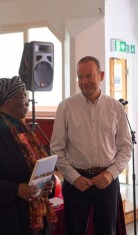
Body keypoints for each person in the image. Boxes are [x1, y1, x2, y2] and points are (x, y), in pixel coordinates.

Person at [50, 56, 133, 235]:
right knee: (74, 230)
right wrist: (73, 177)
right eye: (80, 77)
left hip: (107, 181)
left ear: (101, 75)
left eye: (89, 76)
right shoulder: (66, 107)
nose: (84, 82)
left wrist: (110, 174)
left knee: (107, 231)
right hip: (76, 182)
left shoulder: (115, 107)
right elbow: (56, 149)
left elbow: (126, 148)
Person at [0, 76, 57, 235]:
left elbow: (34, 166)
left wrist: (47, 185)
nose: (28, 102)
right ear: (7, 101)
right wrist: (16, 189)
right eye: (22, 96)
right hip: (2, 220)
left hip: (32, 217)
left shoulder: (24, 130)